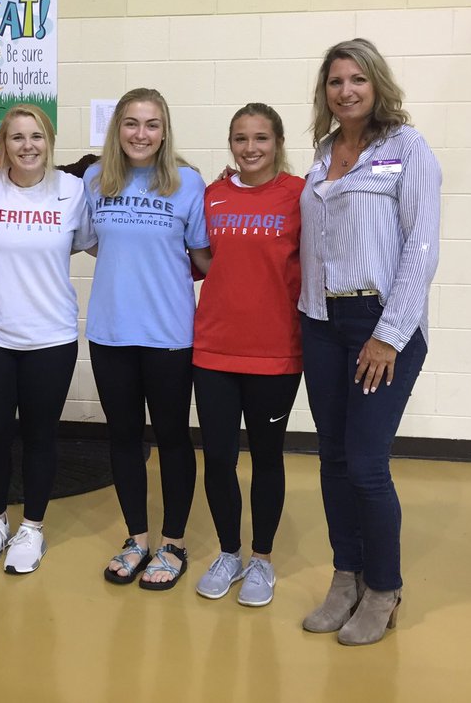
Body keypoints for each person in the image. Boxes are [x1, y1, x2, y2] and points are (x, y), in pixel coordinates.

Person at [298, 38, 441, 645]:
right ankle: (345, 576)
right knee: (331, 459)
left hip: (381, 325)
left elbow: (422, 246)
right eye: (335, 82)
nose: (346, 91)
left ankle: (383, 589)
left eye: (357, 79)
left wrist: (388, 333)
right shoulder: (324, 152)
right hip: (321, 325)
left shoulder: (407, 149)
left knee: (365, 463)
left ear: (377, 84)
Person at [0, 105, 96, 575]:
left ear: (50, 139)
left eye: (36, 136)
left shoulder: (73, 190)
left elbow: (89, 242)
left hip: (50, 337)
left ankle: (32, 527)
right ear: (3, 145)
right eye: (16, 137)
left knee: (40, 436)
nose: (27, 146)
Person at [84, 88, 209, 590]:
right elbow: (95, 245)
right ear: (118, 129)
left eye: (151, 124)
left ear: (165, 130)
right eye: (131, 124)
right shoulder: (97, 180)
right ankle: (137, 537)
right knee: (124, 439)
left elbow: (202, 259)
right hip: (110, 332)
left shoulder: (188, 183)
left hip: (170, 335)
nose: (141, 134)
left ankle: (173, 542)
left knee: (174, 438)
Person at [188, 103, 304, 608]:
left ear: (277, 142)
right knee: (217, 458)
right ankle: (230, 552)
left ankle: (262, 558)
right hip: (213, 348)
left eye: (260, 138)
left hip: (275, 354)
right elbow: (203, 257)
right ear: (230, 143)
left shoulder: (300, 195)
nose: (250, 148)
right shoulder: (211, 195)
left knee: (266, 457)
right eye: (240, 138)